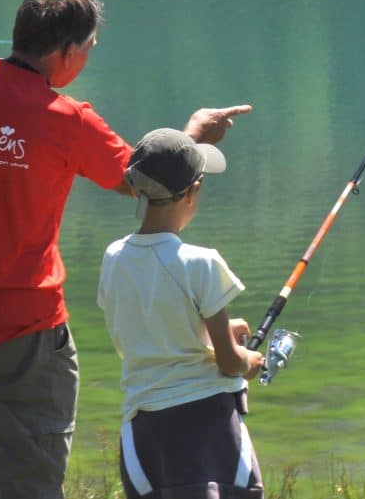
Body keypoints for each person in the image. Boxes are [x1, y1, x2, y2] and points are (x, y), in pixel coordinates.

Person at [0, 0, 250, 499]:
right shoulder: (67, 120)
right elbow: (143, 181)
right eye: (88, 49)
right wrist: (190, 137)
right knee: (30, 483)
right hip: (26, 330)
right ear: (65, 52)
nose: (86, 60)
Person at [98, 129, 267, 499]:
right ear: (193, 191)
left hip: (143, 434)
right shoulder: (202, 263)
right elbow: (229, 362)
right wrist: (251, 360)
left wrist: (204, 336)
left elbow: (145, 334)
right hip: (210, 429)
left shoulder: (113, 258)